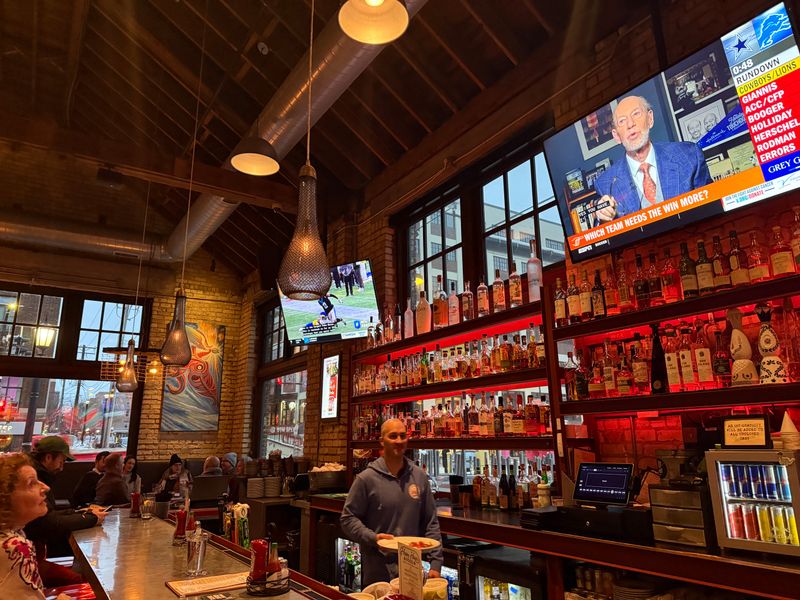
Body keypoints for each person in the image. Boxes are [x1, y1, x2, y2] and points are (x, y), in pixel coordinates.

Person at [340, 419, 443, 585]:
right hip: (377, 572)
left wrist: (436, 564)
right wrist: (373, 538)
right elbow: (347, 518)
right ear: (382, 441)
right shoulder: (366, 479)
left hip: (412, 571)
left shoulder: (419, 476)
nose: (399, 441)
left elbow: (430, 521)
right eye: (393, 436)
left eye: (403, 436)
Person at [592, 95, 712, 224]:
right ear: (616, 136)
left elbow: (712, 210)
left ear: (650, 119)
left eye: (636, 114)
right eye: (622, 121)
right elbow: (608, 235)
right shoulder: (605, 183)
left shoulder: (689, 155)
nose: (630, 124)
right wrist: (603, 217)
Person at [24, 436, 104, 586]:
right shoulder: (33, 477)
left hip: (33, 555)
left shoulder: (37, 474)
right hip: (29, 559)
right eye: (61, 461)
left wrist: (79, 512)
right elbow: (47, 522)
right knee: (81, 581)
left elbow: (47, 514)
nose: (62, 467)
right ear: (48, 457)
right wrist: (91, 518)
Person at [0, 453, 70, 600]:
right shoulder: (13, 546)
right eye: (32, 483)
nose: (46, 487)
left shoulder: (13, 533)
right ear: (4, 499)